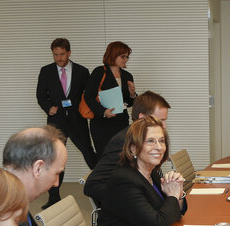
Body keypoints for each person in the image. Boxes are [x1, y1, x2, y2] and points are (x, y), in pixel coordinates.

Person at [87, 116, 187, 226]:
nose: (159, 147)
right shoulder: (124, 180)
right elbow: (157, 224)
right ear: (133, 148)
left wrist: (177, 192)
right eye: (150, 141)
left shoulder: (152, 173)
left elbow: (173, 213)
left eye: (162, 141)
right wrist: (171, 196)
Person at [36, 37, 97, 208]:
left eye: (62, 54)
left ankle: (106, 188)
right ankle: (53, 197)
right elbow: (41, 95)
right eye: (55, 55)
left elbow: (90, 95)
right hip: (56, 122)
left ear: (69, 52)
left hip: (78, 120)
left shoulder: (82, 71)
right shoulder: (46, 71)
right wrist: (49, 108)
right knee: (54, 158)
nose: (58, 58)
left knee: (89, 153)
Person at [84, 90, 170, 206]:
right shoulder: (123, 142)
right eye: (160, 120)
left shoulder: (147, 140)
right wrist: (129, 198)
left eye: (165, 120)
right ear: (142, 118)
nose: (164, 126)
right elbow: (92, 185)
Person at [85, 41, 136, 159]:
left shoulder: (127, 76)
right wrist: (103, 112)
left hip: (121, 123)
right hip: (101, 124)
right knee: (104, 157)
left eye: (127, 57)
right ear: (113, 55)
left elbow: (128, 103)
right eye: (123, 56)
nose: (126, 59)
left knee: (123, 157)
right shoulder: (99, 72)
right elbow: (89, 97)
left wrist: (132, 94)